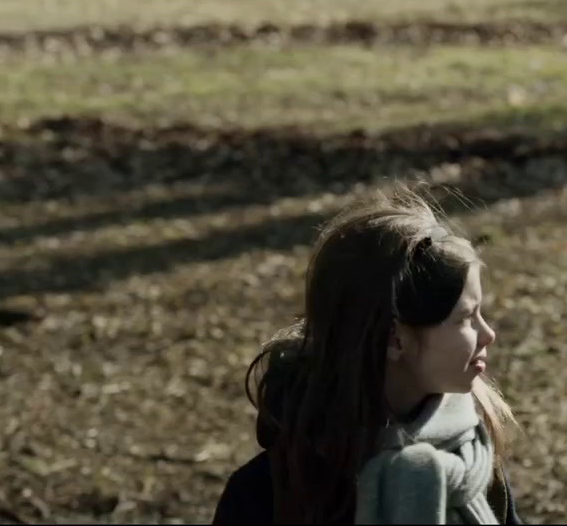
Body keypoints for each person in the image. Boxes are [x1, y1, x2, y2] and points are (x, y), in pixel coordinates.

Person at [213, 187, 523, 524]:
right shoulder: (265, 495)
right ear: (394, 339)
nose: (488, 334)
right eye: (464, 318)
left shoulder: (470, 458)